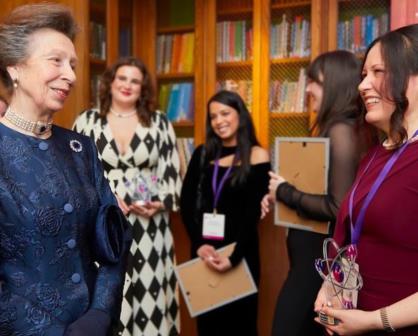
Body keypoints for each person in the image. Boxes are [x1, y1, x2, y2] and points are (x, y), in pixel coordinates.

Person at [0, 4, 131, 336]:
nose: (71, 75)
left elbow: (116, 238)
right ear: (15, 67)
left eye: (72, 64)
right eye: (55, 61)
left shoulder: (81, 149)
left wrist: (100, 313)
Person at [313, 24, 418, 336]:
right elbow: (356, 238)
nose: (363, 85)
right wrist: (332, 285)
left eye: (378, 71)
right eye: (363, 74)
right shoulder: (375, 153)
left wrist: (374, 321)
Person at [73, 57, 182, 336]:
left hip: (150, 227)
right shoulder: (87, 121)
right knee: (109, 294)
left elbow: (172, 174)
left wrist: (159, 202)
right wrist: (103, 201)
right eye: (122, 78)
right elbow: (75, 174)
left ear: (142, 87)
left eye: (135, 81)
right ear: (110, 82)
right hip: (103, 224)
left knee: (150, 296)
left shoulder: (158, 122)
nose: (127, 85)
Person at [261, 50, 367, 336]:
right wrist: (278, 193)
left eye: (314, 82)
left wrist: (284, 191)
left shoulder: (341, 130)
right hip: (311, 261)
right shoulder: (343, 127)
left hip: (315, 263)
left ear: (334, 83)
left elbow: (337, 206)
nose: (307, 89)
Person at [180, 90, 270, 336]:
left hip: (241, 254)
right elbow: (186, 202)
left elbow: (252, 213)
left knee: (242, 327)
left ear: (240, 114)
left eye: (225, 113)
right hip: (205, 254)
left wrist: (234, 256)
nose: (219, 121)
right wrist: (199, 244)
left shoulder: (257, 155)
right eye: (213, 117)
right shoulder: (202, 154)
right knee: (209, 327)